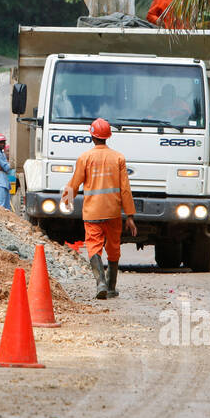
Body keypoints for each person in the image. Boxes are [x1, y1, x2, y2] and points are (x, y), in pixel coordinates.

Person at [61, 118, 138, 299]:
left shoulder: (85, 157)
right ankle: (111, 287)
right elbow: (125, 189)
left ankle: (100, 283)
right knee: (113, 248)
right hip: (113, 212)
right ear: (107, 137)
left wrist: (65, 200)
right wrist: (131, 216)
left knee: (94, 247)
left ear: (92, 136)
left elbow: (75, 183)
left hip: (92, 212)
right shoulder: (118, 157)